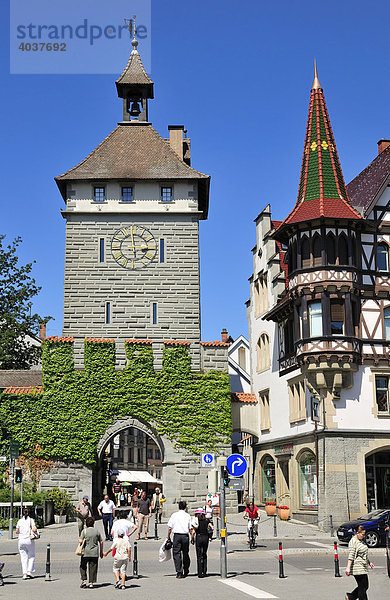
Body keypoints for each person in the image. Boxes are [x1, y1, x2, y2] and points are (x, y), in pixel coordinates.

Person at [345, 525, 374, 600]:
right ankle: (352, 597)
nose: (364, 536)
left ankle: (350, 597)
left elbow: (363, 553)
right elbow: (351, 555)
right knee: (362, 587)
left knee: (365, 586)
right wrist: (348, 568)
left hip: (363, 566)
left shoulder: (360, 540)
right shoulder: (353, 542)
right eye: (363, 534)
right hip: (357, 567)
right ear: (357, 533)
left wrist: (369, 562)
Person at [167, 500, 194, 579]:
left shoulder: (174, 515)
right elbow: (191, 529)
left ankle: (179, 572)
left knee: (176, 554)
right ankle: (186, 569)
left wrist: (168, 537)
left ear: (178, 507)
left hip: (177, 536)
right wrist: (192, 538)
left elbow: (170, 528)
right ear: (185, 507)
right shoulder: (188, 516)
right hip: (185, 536)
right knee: (185, 553)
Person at [79, 516, 103, 589]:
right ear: (93, 523)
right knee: (93, 567)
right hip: (94, 552)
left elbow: (80, 540)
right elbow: (101, 542)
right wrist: (101, 552)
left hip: (85, 552)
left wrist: (83, 541)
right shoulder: (96, 531)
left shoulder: (84, 531)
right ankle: (91, 582)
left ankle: (83, 580)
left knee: (83, 566)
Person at [16, 507, 37, 579]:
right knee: (31, 556)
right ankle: (29, 571)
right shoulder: (31, 520)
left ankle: (24, 574)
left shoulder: (19, 521)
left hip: (21, 540)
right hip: (29, 540)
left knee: (23, 557)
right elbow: (34, 529)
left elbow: (17, 531)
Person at [192, 508, 212, 578]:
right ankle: (204, 571)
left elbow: (193, 531)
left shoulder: (196, 522)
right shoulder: (207, 520)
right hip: (205, 537)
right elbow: (211, 528)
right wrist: (210, 536)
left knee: (199, 555)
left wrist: (192, 538)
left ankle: (200, 573)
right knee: (204, 554)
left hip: (199, 537)